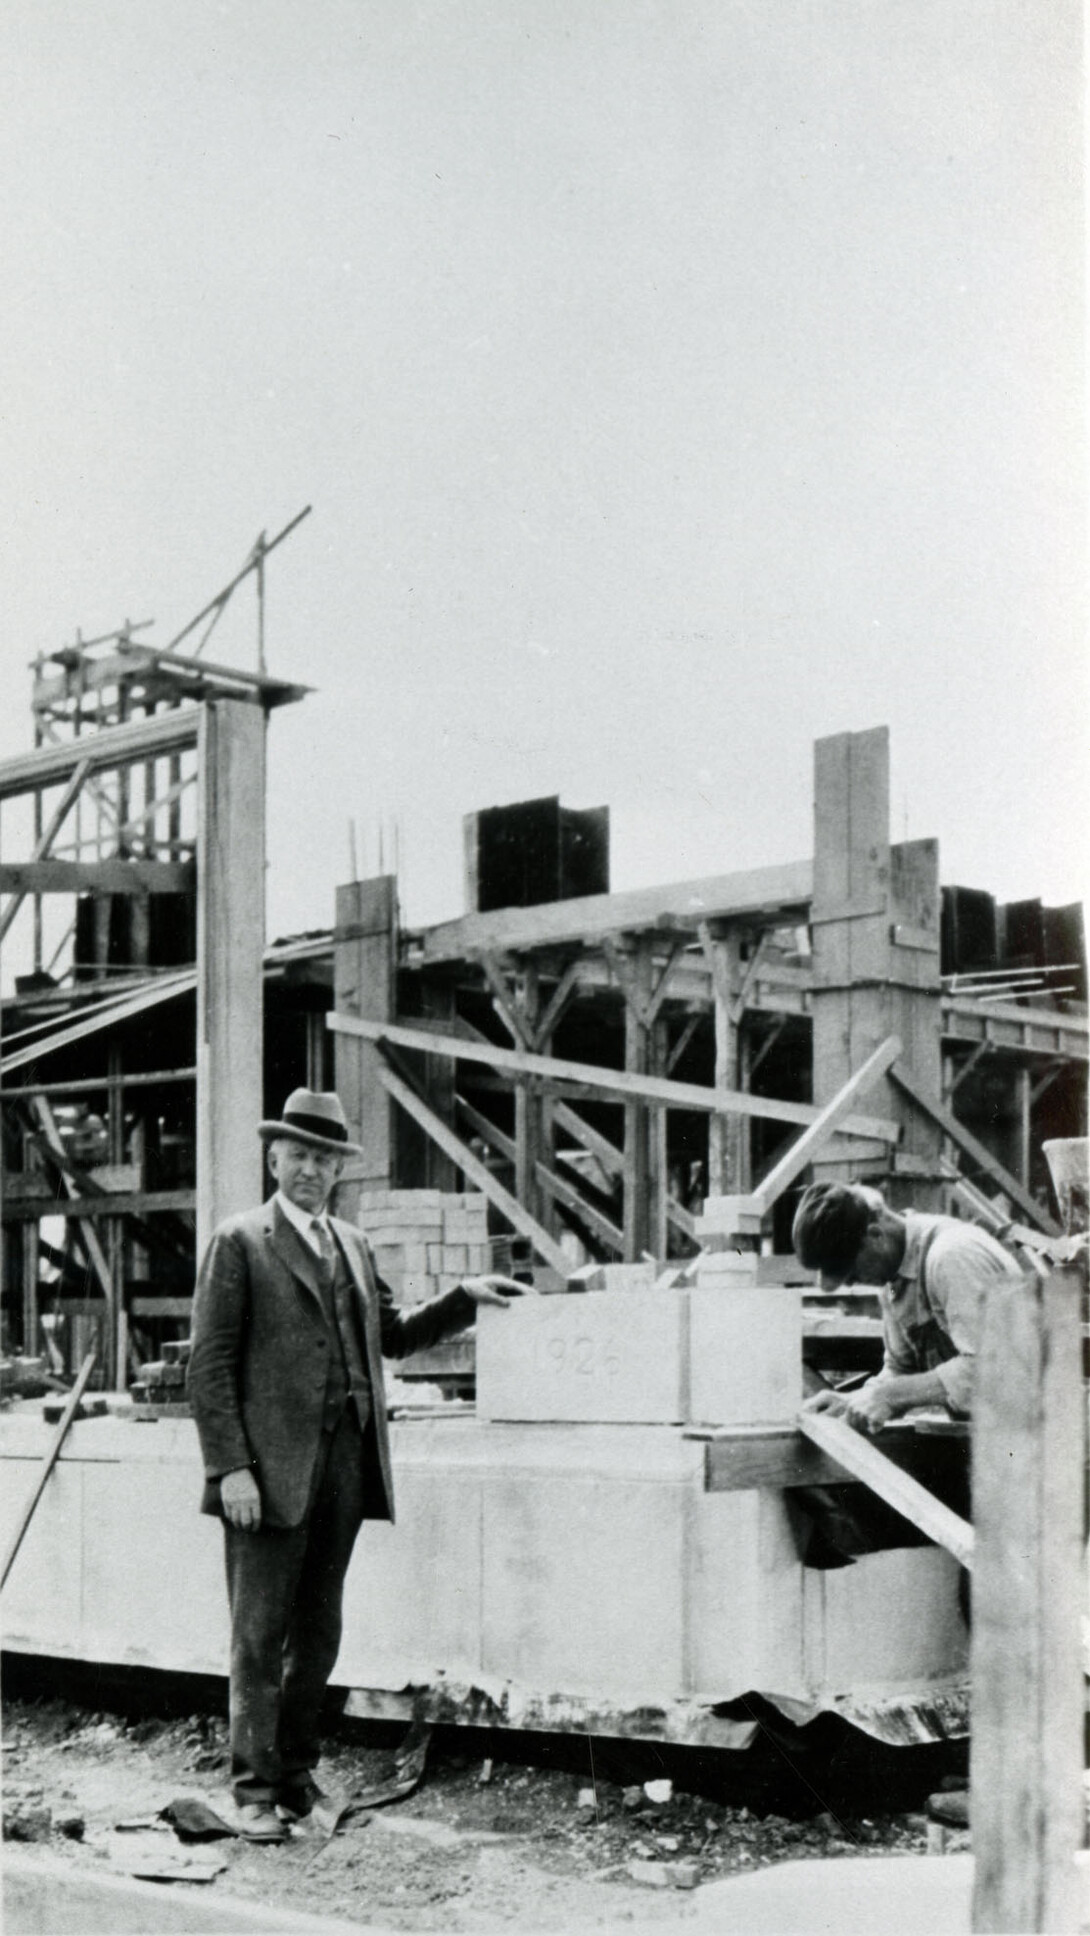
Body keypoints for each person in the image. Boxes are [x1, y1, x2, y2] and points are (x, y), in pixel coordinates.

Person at [187, 1087, 524, 1841]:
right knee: (258, 1634)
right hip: (268, 1473)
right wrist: (230, 1470)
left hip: (345, 1462)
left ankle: (296, 1775)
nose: (310, 1169)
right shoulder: (240, 1241)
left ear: (339, 1169)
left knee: (321, 1635)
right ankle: (251, 1791)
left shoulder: (352, 1244)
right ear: (274, 1157)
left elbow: (394, 1336)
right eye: (299, 1154)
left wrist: (465, 1298)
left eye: (324, 1158)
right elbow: (207, 1370)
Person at [792, 1179, 1023, 1435]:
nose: (853, 1282)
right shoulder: (893, 1279)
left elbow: (992, 1369)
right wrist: (853, 1400)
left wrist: (889, 1396)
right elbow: (902, 1368)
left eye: (853, 1273)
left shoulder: (951, 1256)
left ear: (875, 1235)